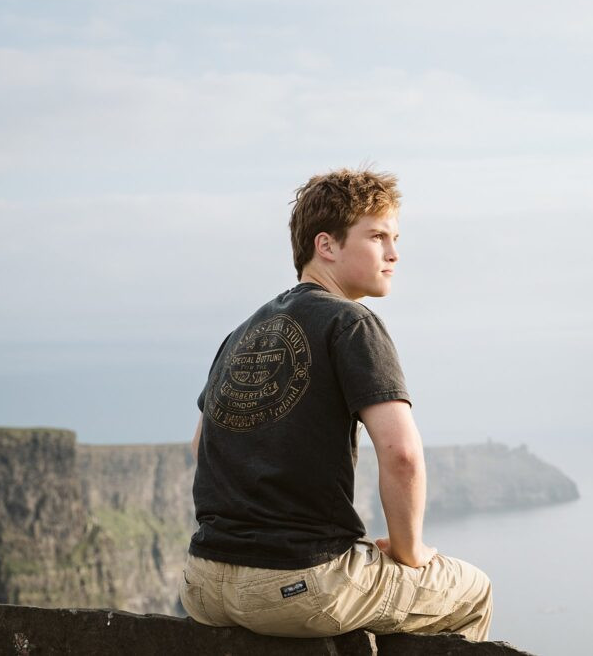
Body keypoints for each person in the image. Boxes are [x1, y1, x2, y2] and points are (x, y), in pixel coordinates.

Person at [178, 168, 492, 641]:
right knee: (472, 591)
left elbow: (200, 444)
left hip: (203, 582)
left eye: (395, 238)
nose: (393, 253)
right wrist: (409, 552)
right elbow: (402, 455)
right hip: (300, 585)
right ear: (326, 245)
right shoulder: (351, 323)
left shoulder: (241, 332)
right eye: (377, 237)